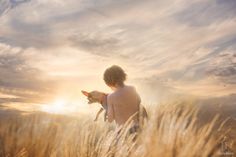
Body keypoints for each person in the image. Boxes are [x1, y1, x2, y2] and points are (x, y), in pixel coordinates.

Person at [102, 65, 148, 134]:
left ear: (109, 82)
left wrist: (105, 107)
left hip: (123, 132)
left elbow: (110, 119)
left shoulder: (110, 97)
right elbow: (139, 102)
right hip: (137, 129)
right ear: (123, 76)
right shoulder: (132, 89)